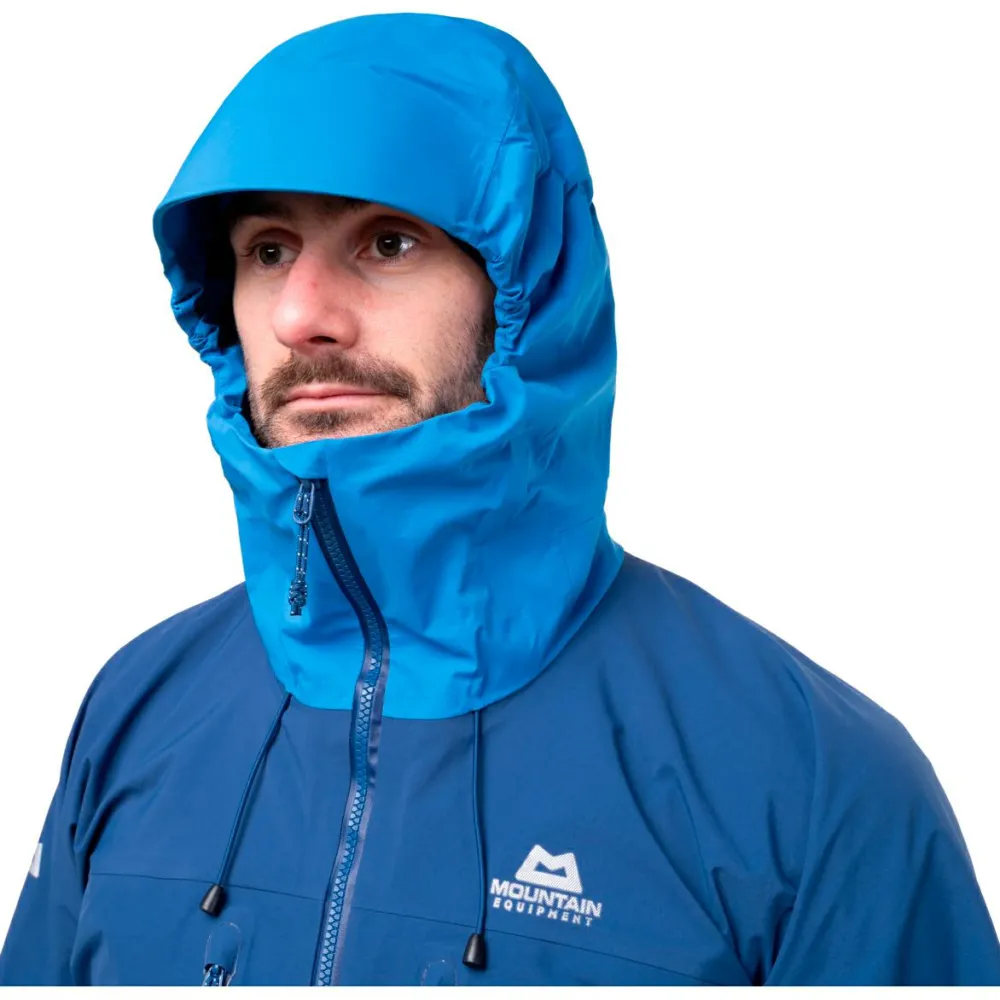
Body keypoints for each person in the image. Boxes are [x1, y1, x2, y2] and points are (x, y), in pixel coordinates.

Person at [0, 12, 997, 987]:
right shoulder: (137, 708)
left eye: (389, 243)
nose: (300, 314)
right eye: (267, 251)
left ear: (527, 295)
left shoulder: (807, 777)